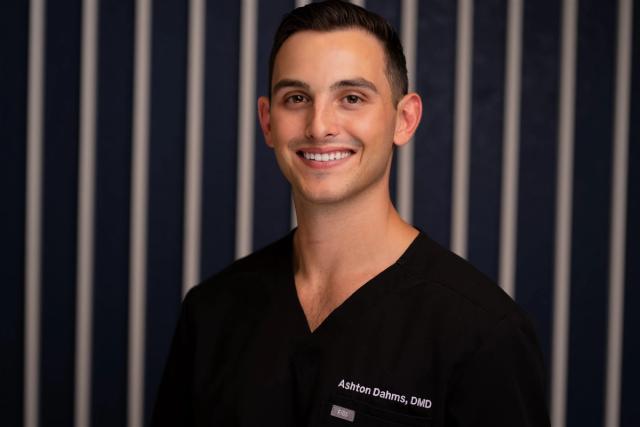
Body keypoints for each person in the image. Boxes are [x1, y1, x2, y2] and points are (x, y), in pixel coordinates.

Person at [151, 1, 550, 425]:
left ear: (405, 119)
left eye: (352, 97)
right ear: (267, 121)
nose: (319, 126)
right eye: (297, 97)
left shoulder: (482, 332)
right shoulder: (212, 312)